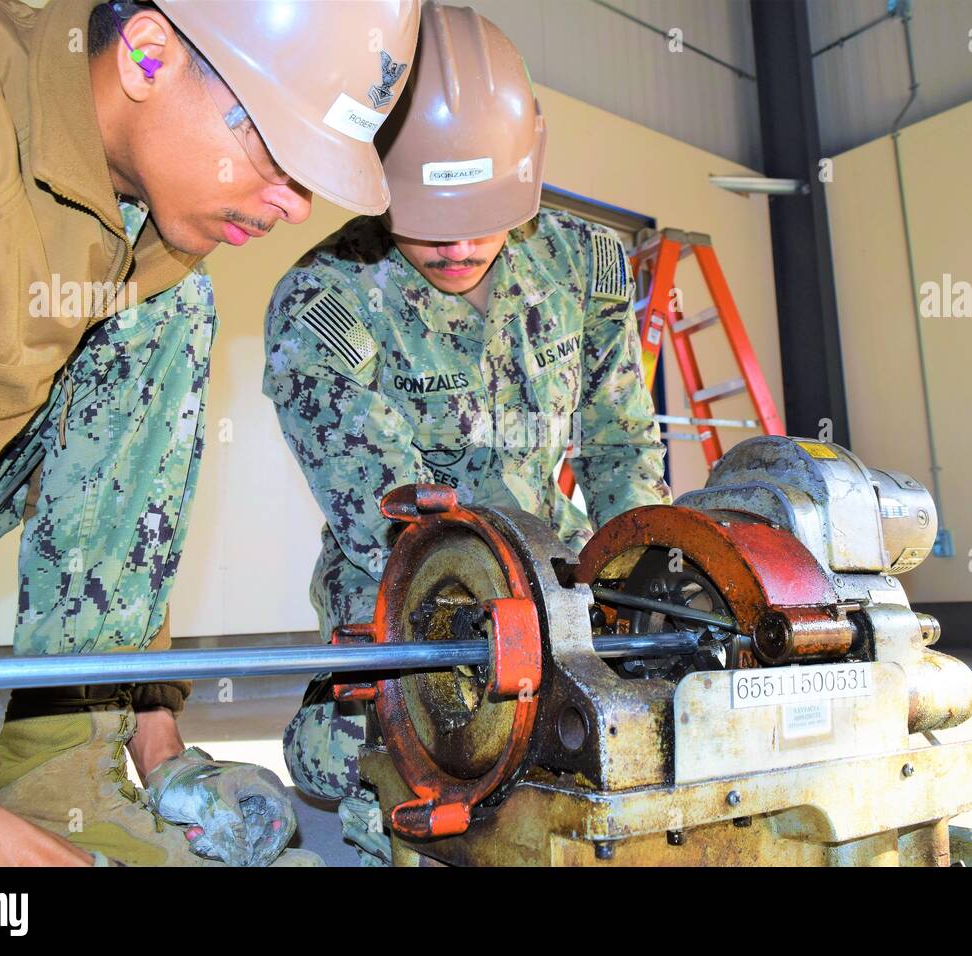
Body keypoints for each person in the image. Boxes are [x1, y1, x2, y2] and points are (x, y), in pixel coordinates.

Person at [0, 0, 418, 866]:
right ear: (147, 56)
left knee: (166, 307)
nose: (293, 203)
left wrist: (155, 740)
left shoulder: (144, 234)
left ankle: (65, 772)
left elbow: (122, 492)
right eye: (276, 154)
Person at [263, 1, 670, 865]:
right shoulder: (326, 303)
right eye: (425, 223)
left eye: (479, 217)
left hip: (567, 587)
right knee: (381, 773)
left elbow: (623, 448)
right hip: (415, 607)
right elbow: (395, 533)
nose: (454, 248)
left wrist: (641, 598)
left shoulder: (583, 266)